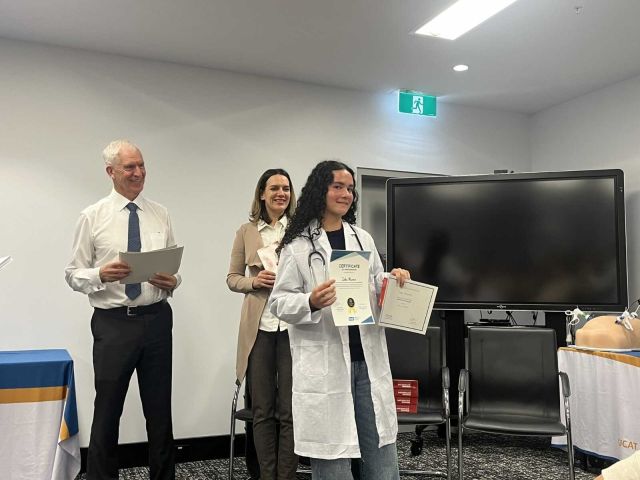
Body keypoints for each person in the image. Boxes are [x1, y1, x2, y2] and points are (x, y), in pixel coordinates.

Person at [269, 160, 411, 479]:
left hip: (367, 362)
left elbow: (375, 286)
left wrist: (393, 281)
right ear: (321, 190)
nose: (346, 194)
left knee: (381, 452)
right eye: (338, 187)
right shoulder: (298, 246)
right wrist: (311, 301)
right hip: (327, 363)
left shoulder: (363, 239)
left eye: (350, 188)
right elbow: (279, 302)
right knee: (332, 458)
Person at [65, 139, 179, 480]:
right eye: (130, 167)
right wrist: (100, 274)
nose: (138, 172)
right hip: (114, 323)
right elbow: (72, 273)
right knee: (107, 411)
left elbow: (173, 268)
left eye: (141, 165)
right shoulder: (92, 216)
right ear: (110, 172)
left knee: (159, 412)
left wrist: (173, 280)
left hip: (157, 319)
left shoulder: (160, 213)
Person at [227, 168, 298, 479]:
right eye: (274, 188)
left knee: (290, 411)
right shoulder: (246, 231)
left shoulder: (301, 231)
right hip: (260, 330)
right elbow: (232, 278)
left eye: (286, 188)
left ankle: (287, 476)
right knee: (262, 411)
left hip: (294, 328)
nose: (281, 193)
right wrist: (254, 282)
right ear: (262, 194)